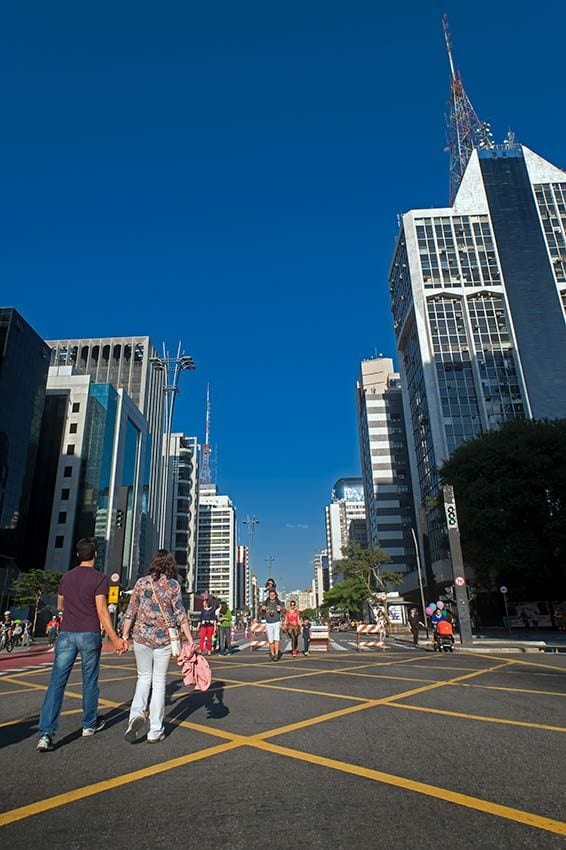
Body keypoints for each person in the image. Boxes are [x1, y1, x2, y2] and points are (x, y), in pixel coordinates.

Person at [36, 538, 127, 752]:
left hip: (67, 633)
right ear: (95, 554)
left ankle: (46, 734)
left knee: (57, 682)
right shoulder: (99, 578)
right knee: (90, 681)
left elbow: (60, 603)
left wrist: (68, 610)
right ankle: (89, 724)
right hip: (89, 633)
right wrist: (115, 638)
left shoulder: (67, 577)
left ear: (78, 555)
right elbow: (102, 611)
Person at [122, 550, 194, 743]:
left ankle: (136, 715)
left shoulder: (141, 582)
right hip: (163, 641)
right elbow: (180, 615)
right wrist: (189, 639)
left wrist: (124, 635)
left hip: (141, 638)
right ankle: (155, 730)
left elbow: (131, 610)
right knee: (159, 682)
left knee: (143, 678)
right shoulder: (173, 585)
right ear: (170, 565)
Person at [261, 589, 284, 661]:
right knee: (270, 639)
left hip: (276, 621)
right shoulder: (266, 602)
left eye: (273, 595)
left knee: (276, 638)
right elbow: (261, 611)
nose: (272, 596)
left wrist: (281, 608)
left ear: (275, 595)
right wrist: (262, 609)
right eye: (270, 595)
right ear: (269, 595)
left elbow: (283, 610)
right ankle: (272, 653)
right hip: (268, 622)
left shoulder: (279, 602)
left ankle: (276, 654)